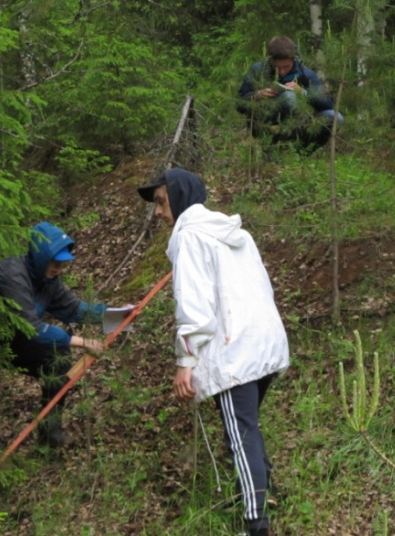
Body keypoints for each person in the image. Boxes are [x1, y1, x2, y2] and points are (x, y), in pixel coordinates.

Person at [137, 168, 290, 536]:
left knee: (241, 432)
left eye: (161, 202)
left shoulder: (190, 237)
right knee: (243, 429)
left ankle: (257, 525)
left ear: (180, 196)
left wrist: (185, 362)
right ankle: (258, 495)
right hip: (265, 342)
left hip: (235, 348)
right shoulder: (236, 234)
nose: (158, 212)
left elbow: (195, 307)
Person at [0, 221, 108, 452]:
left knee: (57, 359)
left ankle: (49, 434)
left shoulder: (48, 281)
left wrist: (118, 315)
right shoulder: (12, 274)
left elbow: (75, 309)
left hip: (9, 339)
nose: (59, 269)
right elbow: (31, 326)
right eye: (55, 262)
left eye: (63, 264)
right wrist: (82, 342)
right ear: (41, 256)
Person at [237, 35, 343, 153]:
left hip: (301, 120)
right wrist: (257, 95)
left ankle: (304, 151)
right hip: (265, 119)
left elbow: (328, 104)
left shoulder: (305, 74)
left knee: (335, 117)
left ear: (293, 59)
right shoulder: (258, 70)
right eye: (277, 67)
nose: (282, 71)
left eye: (286, 67)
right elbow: (239, 104)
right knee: (289, 97)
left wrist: (303, 92)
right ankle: (273, 148)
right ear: (271, 61)